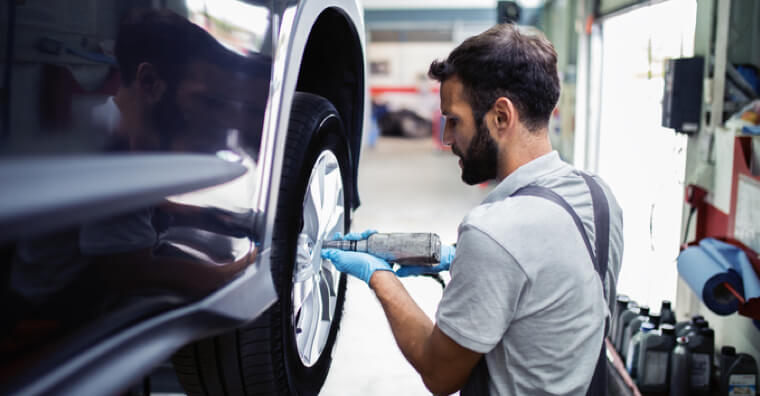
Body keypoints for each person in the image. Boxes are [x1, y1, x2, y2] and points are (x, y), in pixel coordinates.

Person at [321, 23, 624, 395]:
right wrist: (462, 260)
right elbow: (556, 294)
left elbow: (440, 373)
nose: (447, 138)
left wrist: (380, 278)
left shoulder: (494, 233)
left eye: (454, 121)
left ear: (501, 116)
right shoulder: (599, 196)